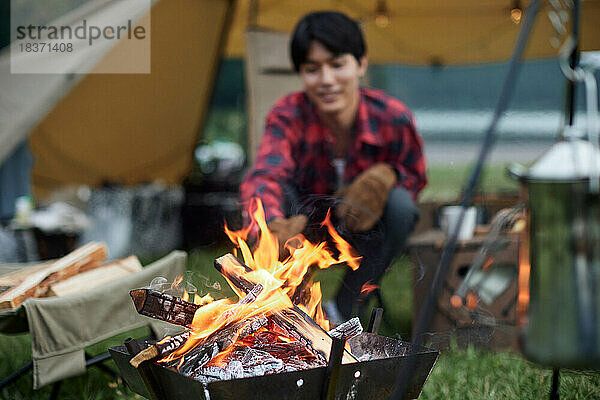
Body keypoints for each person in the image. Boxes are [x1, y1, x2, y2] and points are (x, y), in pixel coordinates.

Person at [239, 11, 427, 323]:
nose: (326, 80)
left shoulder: (393, 117)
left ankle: (344, 309)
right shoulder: (288, 114)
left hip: (361, 229)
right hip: (301, 228)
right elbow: (265, 175)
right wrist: (271, 226)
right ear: (301, 73)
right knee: (267, 195)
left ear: (361, 64)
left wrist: (387, 176)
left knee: (401, 207)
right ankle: (285, 314)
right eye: (313, 69)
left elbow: (416, 176)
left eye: (337, 65)